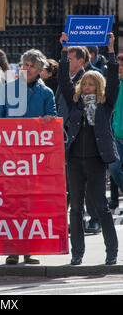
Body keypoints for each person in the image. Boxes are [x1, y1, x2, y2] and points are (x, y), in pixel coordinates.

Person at [0, 49, 57, 265]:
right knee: (11, 204)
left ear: (40, 70)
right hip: (11, 159)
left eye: (31, 65)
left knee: (31, 204)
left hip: (35, 160)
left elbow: (54, 121)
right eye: (24, 64)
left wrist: (49, 120)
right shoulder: (8, 89)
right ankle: (12, 250)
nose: (27, 68)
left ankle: (29, 250)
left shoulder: (46, 93)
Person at [59, 32, 119, 266]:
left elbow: (113, 79)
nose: (87, 87)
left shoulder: (106, 104)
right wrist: (64, 51)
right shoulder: (75, 102)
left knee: (101, 207)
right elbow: (64, 80)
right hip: (74, 160)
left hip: (96, 161)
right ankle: (77, 254)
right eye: (84, 83)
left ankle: (111, 252)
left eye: (91, 84)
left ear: (98, 86)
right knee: (74, 208)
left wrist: (112, 50)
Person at [108, 53, 123, 193]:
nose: (120, 69)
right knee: (113, 167)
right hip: (117, 134)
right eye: (118, 66)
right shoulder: (115, 85)